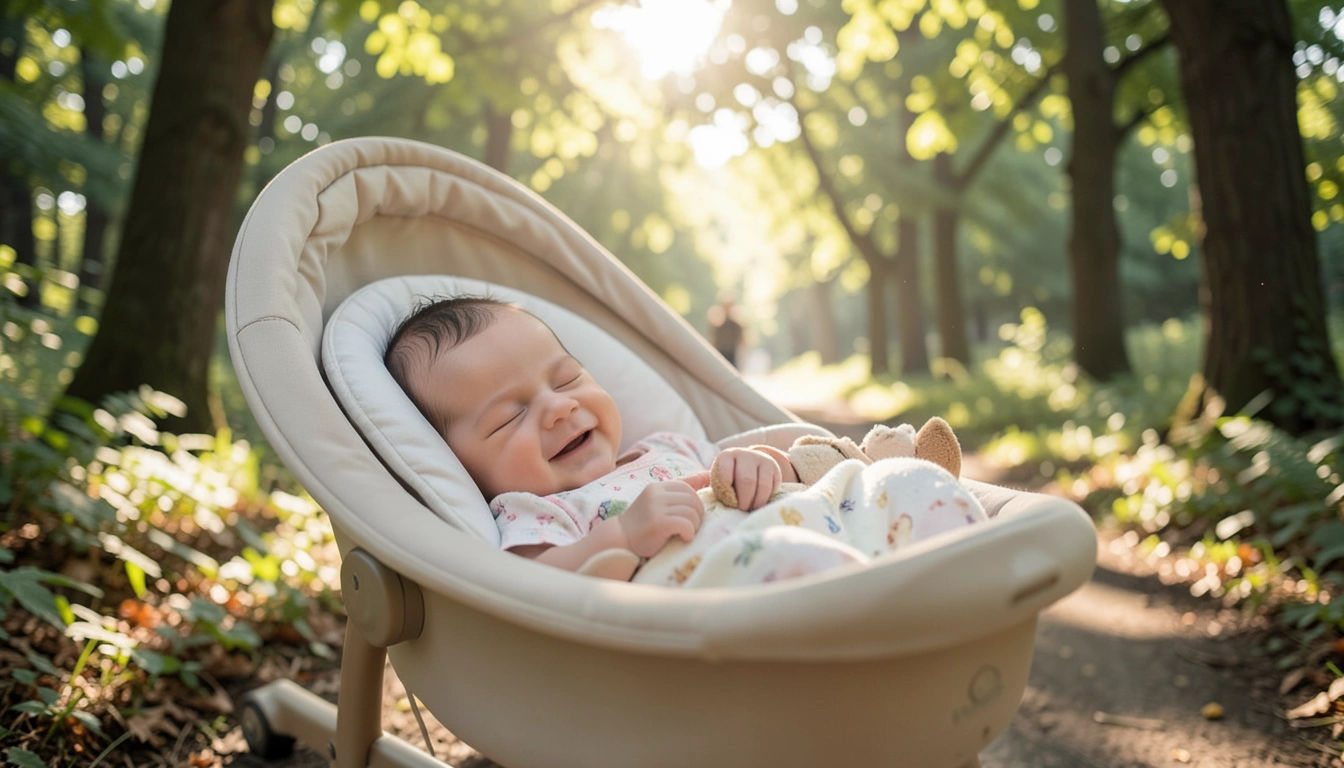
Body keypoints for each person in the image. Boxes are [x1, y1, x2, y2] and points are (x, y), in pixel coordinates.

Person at [385, 296, 984, 586]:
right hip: (747, 589)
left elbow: (749, 468)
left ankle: (961, 577)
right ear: (462, 464)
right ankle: (889, 615)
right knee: (785, 561)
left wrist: (760, 463)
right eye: (508, 418)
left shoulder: (666, 449)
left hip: (826, 530)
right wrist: (620, 534)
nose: (558, 407)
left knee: (903, 483)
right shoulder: (531, 516)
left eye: (566, 378)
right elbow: (533, 590)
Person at [706, 295, 745, 367]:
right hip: (719, 352)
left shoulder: (736, 324)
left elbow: (742, 340)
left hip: (731, 354)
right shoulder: (717, 322)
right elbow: (712, 337)